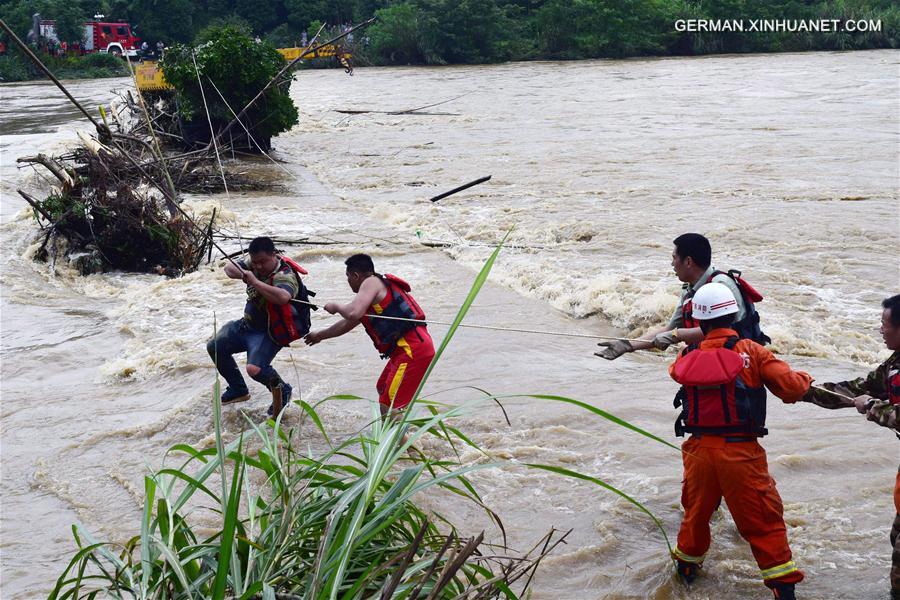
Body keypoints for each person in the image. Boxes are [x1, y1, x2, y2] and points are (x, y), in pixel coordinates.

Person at [667, 282, 811, 600]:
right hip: (741, 453)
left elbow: (678, 372)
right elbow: (791, 388)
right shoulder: (752, 351)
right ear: (734, 314)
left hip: (697, 452)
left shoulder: (685, 356)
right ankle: (784, 589)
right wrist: (807, 379)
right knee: (763, 521)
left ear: (697, 320)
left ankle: (686, 574)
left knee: (695, 515)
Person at [801, 293, 900, 598]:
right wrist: (803, 389)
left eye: (884, 323)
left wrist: (874, 406)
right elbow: (856, 389)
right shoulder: (894, 365)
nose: (880, 330)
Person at [597, 233, 768, 360]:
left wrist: (676, 336)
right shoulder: (689, 289)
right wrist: (627, 345)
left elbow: (722, 332)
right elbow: (669, 330)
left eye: (674, 257)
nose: (672, 263)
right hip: (710, 359)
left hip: (740, 361)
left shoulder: (721, 287)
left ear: (688, 261)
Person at [304, 254, 434, 416]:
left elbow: (352, 313)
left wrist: (336, 306)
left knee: (388, 407)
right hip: (410, 348)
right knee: (383, 387)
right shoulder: (373, 296)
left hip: (411, 349)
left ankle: (407, 440)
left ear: (356, 276)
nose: (348, 282)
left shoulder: (371, 282)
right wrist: (319, 335)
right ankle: (403, 433)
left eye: (348, 277)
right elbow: (347, 324)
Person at [206, 237, 313, 416]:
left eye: (263, 262)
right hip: (247, 325)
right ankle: (238, 389)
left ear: (274, 255)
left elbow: (282, 297)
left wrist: (255, 281)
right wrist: (244, 274)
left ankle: (282, 390)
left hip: (269, 332)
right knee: (214, 346)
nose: (259, 266)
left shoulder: (285, 274)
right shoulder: (253, 263)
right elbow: (229, 269)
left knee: (254, 369)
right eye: (256, 263)